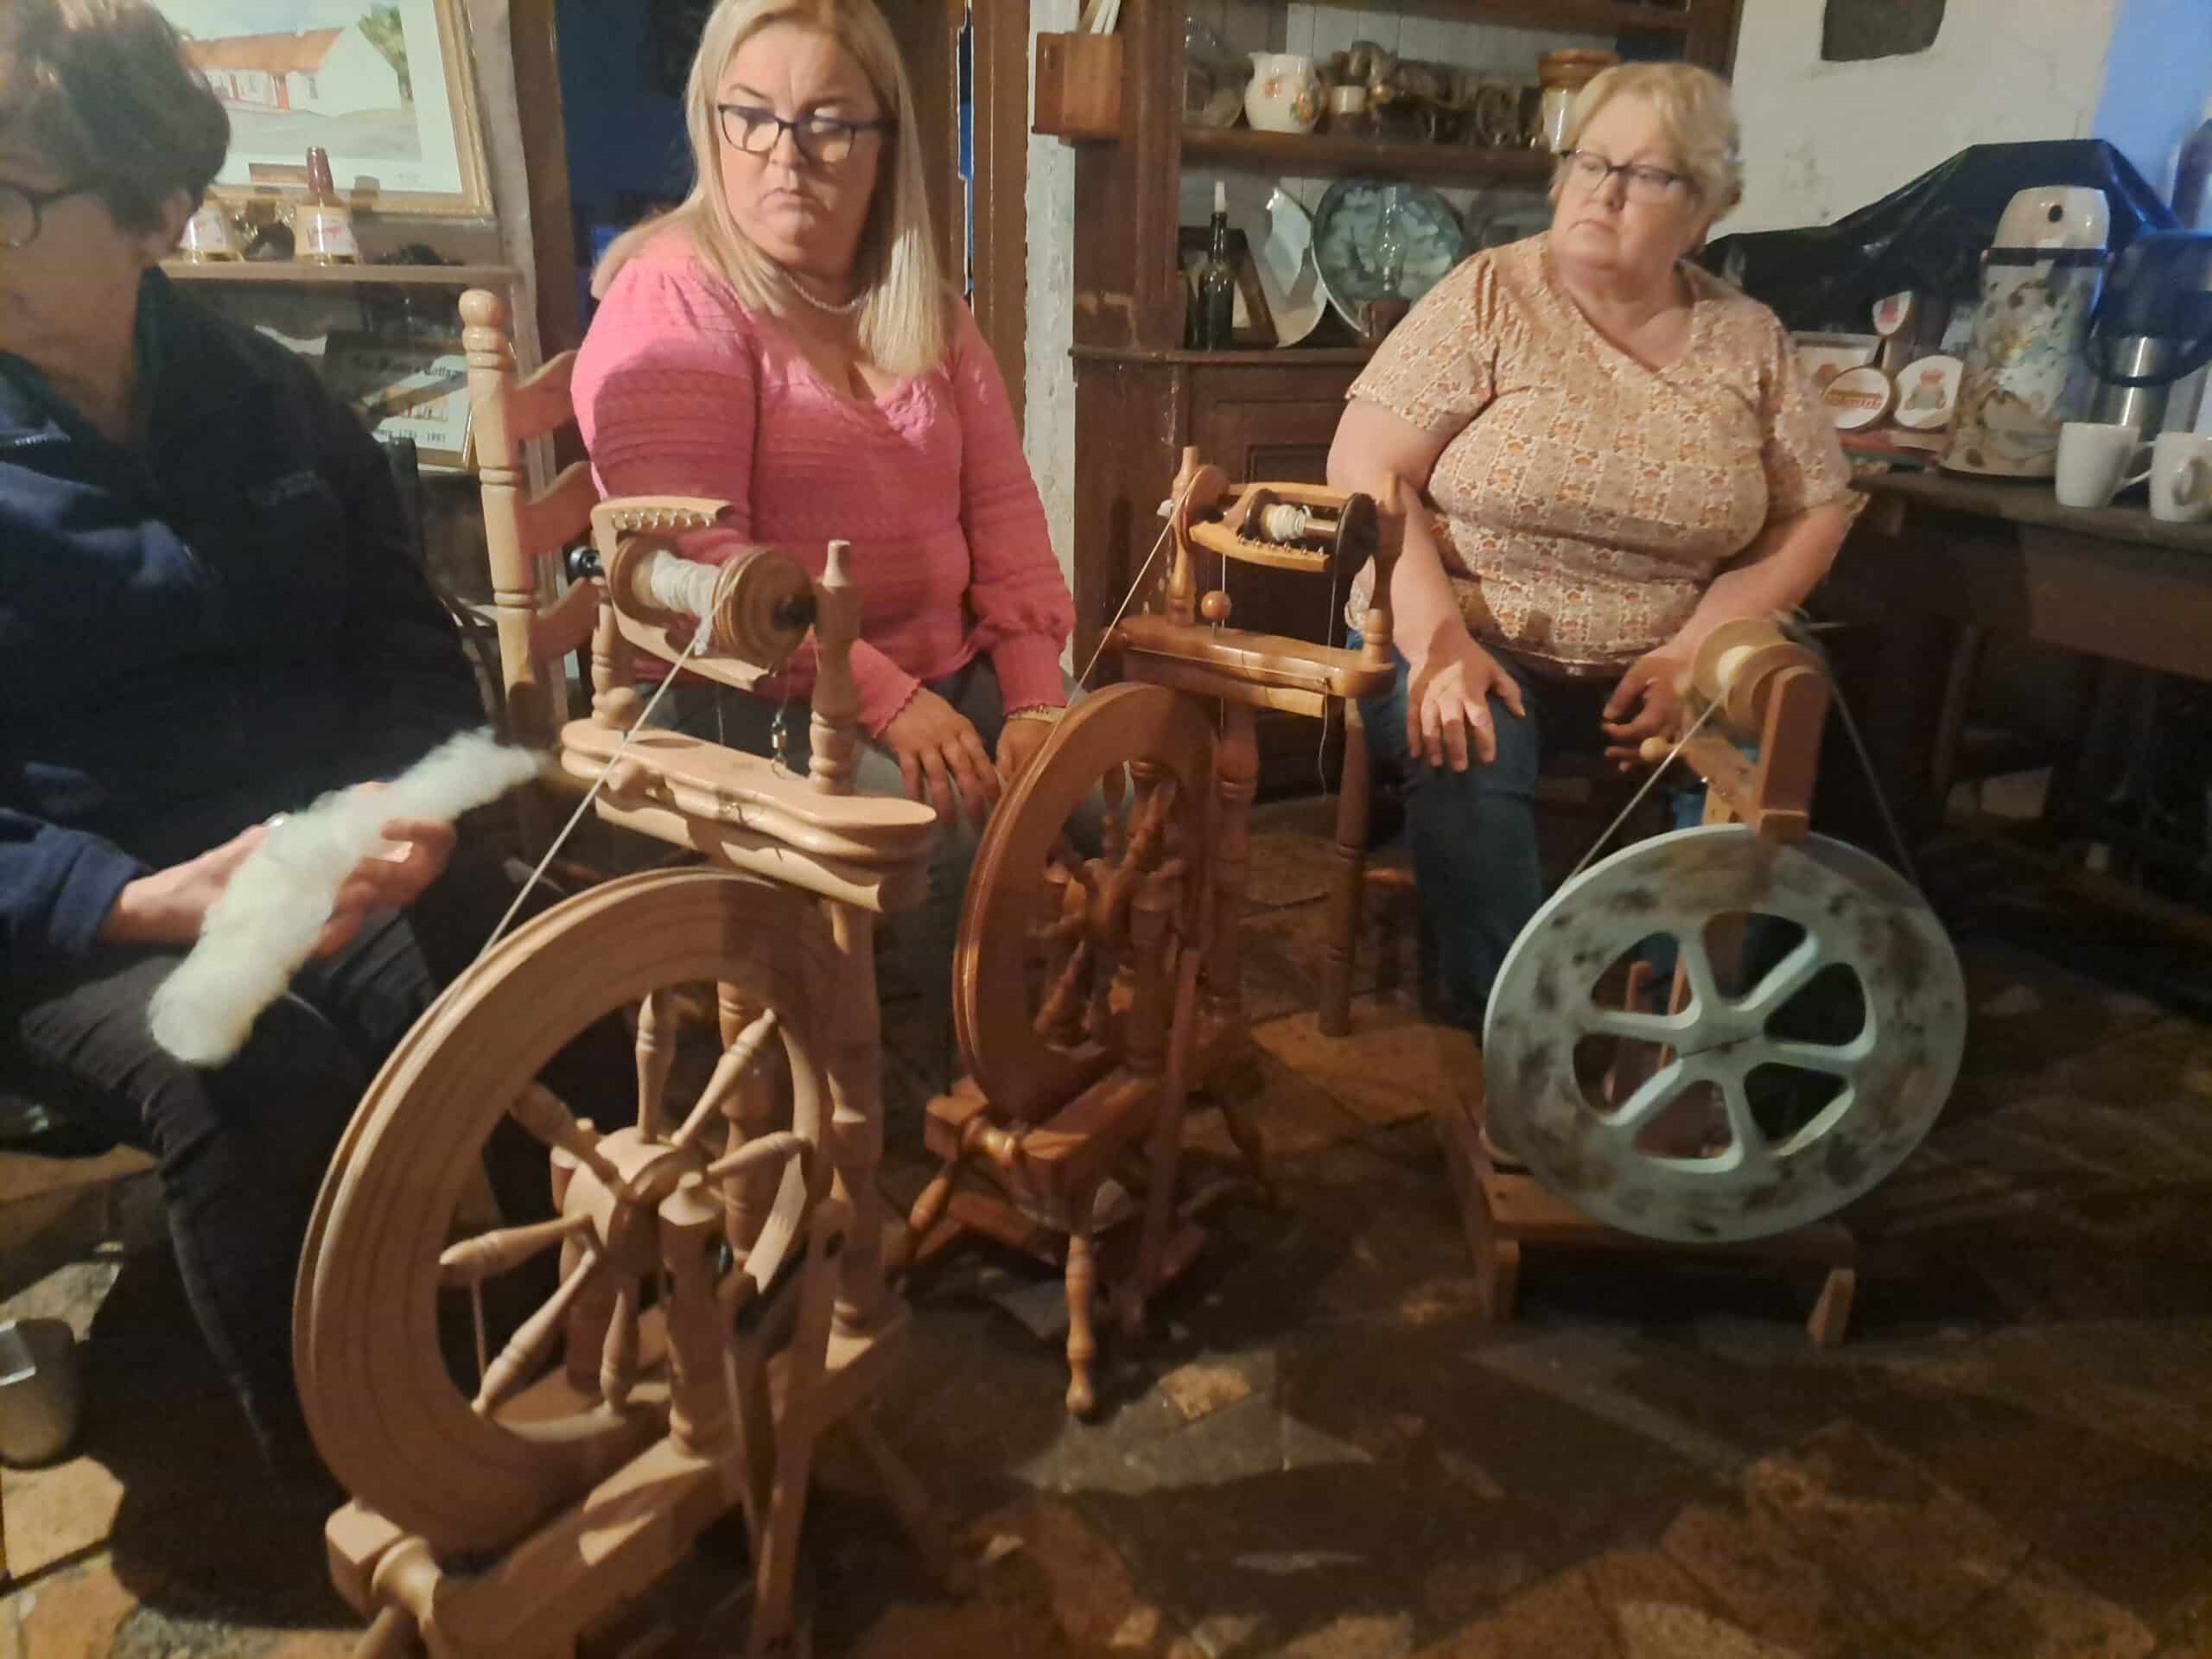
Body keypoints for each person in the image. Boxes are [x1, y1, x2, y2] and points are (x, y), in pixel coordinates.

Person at [0, 0, 505, 1480]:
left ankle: (585, 1344)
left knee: (526, 939)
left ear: (159, 209)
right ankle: (372, 1487)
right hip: (73, 915)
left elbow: (411, 648)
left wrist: (412, 802)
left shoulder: (275, 400)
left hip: (303, 856)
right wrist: (125, 899)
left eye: (11, 192)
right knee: (245, 1062)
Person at [572, 0, 1081, 1075]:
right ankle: (985, 1097)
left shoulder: (928, 310)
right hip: (751, 692)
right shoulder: (673, 298)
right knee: (954, 834)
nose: (786, 156)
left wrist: (1035, 693)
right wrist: (890, 701)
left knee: (1096, 785)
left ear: (885, 140)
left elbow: (1005, 519)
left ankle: (1054, 1052)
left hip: (948, 669)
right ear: (709, 125)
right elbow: (708, 578)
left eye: (829, 124)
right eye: (750, 116)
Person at [1326, 62, 1859, 1031]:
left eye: (1647, 175)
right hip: (1478, 628)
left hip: (1672, 648)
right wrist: (1437, 639)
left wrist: (1699, 645)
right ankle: (1524, 1028)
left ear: (1703, 212)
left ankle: (1680, 1019)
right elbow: (1368, 466)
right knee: (1458, 739)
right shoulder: (1490, 295)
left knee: (1768, 722)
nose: (1603, 192)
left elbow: (1816, 508)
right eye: (1589, 161)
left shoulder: (1748, 340)